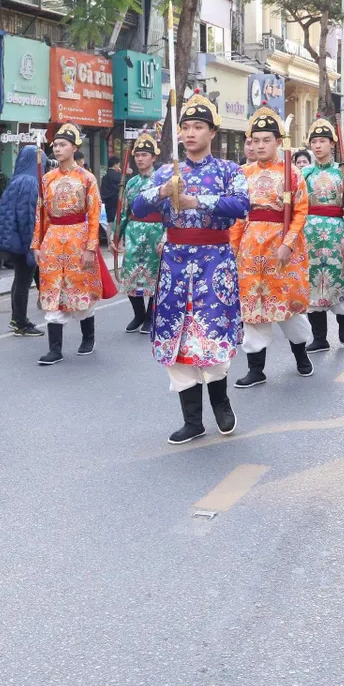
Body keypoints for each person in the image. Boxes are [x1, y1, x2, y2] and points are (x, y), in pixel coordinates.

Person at [131, 91, 249, 444]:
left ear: (212, 132)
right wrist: (164, 191)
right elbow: (137, 207)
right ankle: (192, 418)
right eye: (186, 127)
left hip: (215, 262)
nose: (191, 133)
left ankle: (221, 403)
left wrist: (197, 200)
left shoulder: (229, 170)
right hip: (175, 263)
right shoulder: (166, 172)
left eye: (199, 126)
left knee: (211, 333)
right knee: (176, 335)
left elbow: (242, 205)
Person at [231, 104, 314, 387]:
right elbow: (238, 216)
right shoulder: (243, 173)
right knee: (253, 308)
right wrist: (232, 249)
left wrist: (288, 244)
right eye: (256, 140)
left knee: (286, 307)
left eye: (267, 139)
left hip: (282, 249)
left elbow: (301, 211)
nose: (261, 145)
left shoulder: (293, 173)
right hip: (251, 250)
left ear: (279, 142)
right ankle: (256, 368)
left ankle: (301, 354)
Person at [32, 123, 106, 365]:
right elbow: (40, 214)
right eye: (55, 144)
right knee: (52, 291)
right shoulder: (47, 178)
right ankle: (55, 349)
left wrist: (90, 247)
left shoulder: (87, 178)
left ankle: (88, 337)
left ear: (74, 147)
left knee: (80, 291)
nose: (57, 148)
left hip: (78, 238)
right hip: (53, 239)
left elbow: (94, 214)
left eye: (63, 144)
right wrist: (37, 243)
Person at [302, 117, 344, 352]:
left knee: (336, 281)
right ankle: (319, 337)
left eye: (322, 141)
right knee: (313, 286)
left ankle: (343, 319)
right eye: (314, 141)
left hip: (336, 235)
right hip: (309, 236)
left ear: (332, 144)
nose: (317, 146)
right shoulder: (304, 173)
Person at [0, 144, 42, 337]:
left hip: (9, 238)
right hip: (21, 240)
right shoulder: (30, 182)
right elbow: (27, 216)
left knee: (19, 280)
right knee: (23, 282)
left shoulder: (16, 180)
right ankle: (20, 322)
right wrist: (32, 245)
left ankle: (16, 319)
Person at [114, 133, 164, 333]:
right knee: (130, 275)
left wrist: (167, 236)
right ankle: (138, 314)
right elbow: (124, 211)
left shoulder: (162, 180)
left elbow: (169, 211)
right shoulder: (131, 183)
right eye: (138, 155)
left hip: (156, 232)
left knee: (155, 277)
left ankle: (151, 317)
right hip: (134, 232)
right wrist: (116, 237)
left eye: (145, 155)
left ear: (153, 157)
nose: (140, 158)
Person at [100, 155, 123, 226]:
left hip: (108, 202)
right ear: (115, 164)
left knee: (110, 223)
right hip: (116, 202)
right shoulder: (119, 175)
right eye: (118, 165)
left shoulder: (105, 176)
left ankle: (109, 237)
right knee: (117, 223)